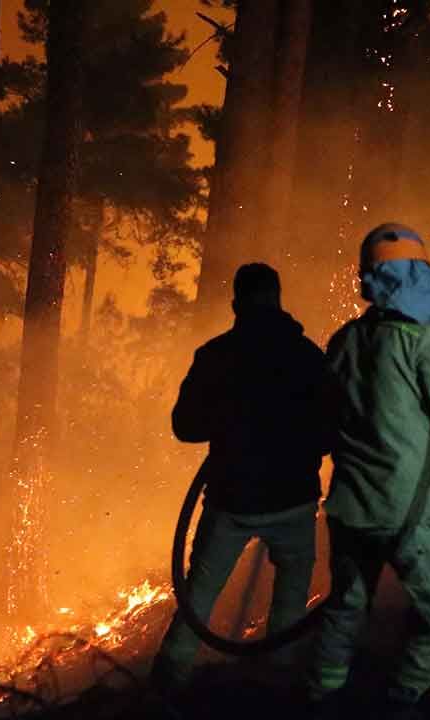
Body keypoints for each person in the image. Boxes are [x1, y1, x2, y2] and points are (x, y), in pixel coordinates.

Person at [309, 223, 430, 718]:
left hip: (350, 508)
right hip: (406, 516)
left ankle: (321, 698)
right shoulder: (421, 342)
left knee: (346, 610)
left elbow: (325, 420)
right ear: (418, 274)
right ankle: (403, 700)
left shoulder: (344, 340)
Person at [152, 262, 331, 691]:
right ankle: (274, 687)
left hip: (234, 501)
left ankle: (165, 687)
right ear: (278, 300)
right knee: (290, 603)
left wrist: (231, 422)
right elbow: (329, 430)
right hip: (294, 501)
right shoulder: (307, 356)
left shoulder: (216, 355)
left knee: (199, 599)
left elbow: (185, 426)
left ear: (236, 303)